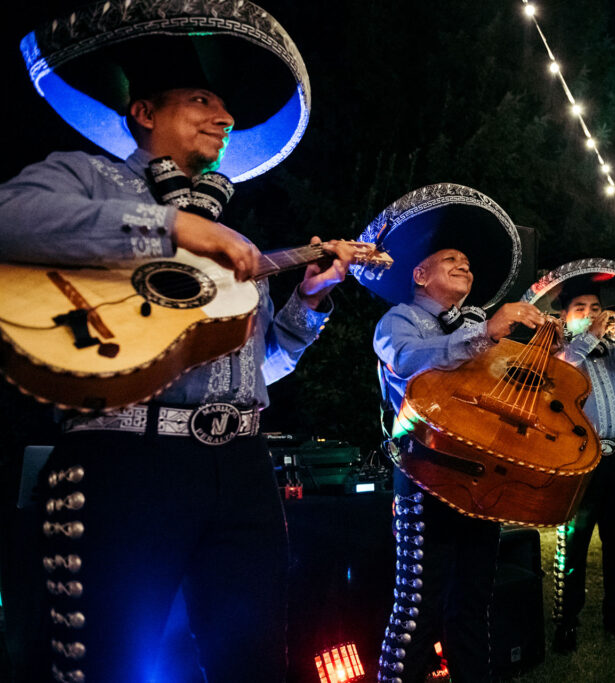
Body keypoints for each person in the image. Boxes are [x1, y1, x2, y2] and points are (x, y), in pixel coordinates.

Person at [0, 2, 365, 681]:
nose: (224, 118)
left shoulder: (235, 238)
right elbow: (10, 219)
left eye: (226, 108)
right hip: (125, 462)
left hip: (242, 470)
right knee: (108, 661)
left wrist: (307, 305)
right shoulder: (87, 176)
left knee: (252, 660)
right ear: (144, 112)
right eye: (202, 99)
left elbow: (260, 370)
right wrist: (165, 226)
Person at [351, 183, 543, 682]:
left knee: (475, 604)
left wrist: (545, 346)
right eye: (451, 257)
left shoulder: (478, 326)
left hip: (481, 480)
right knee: (416, 609)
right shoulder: (398, 321)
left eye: (468, 262)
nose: (465, 264)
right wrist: (485, 333)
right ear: (419, 274)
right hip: (423, 479)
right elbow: (415, 365)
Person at [521, 259, 615, 653]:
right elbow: (561, 378)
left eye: (596, 308)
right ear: (564, 317)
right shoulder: (557, 351)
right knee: (574, 541)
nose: (593, 314)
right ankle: (566, 620)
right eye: (581, 308)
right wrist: (587, 339)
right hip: (579, 460)